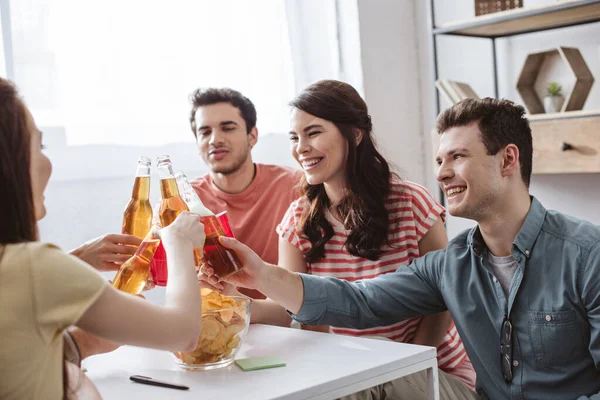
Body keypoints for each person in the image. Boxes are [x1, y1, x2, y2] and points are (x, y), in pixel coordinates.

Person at [204, 97, 600, 399]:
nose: (442, 173)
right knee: (362, 367)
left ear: (508, 159)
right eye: (440, 159)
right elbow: (358, 300)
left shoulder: (587, 256)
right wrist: (259, 274)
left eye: (458, 157)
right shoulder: (449, 266)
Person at [203, 80, 475, 390]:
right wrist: (231, 302)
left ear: (355, 134)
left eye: (313, 132)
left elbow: (444, 298)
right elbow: (287, 308)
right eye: (294, 137)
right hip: (354, 373)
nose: (301, 148)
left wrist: (408, 361)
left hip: (432, 370)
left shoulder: (411, 204)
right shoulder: (298, 220)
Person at [0, 77, 205, 400]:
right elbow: (182, 333)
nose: (48, 163)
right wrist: (178, 242)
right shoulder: (33, 267)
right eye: (38, 147)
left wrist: (84, 340)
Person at [189, 87, 301, 298]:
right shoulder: (186, 201)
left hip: (282, 318)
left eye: (228, 128)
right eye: (204, 132)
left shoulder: (293, 186)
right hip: (220, 322)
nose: (215, 139)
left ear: (252, 136)